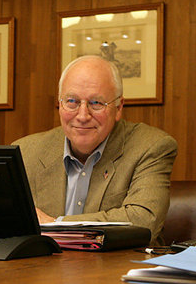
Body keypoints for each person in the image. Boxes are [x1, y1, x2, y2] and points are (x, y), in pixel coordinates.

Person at [13, 55, 177, 245]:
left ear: (118, 107)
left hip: (116, 269)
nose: (82, 116)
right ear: (59, 104)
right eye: (72, 101)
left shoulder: (151, 147)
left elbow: (143, 221)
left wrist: (56, 224)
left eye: (96, 103)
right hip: (39, 270)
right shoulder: (26, 151)